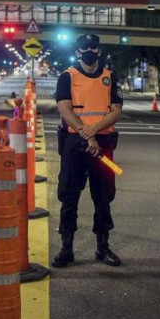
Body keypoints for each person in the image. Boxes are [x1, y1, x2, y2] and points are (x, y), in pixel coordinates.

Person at [53, 33, 123, 268]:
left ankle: (103, 248)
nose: (90, 50)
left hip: (102, 143)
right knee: (69, 196)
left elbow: (115, 111)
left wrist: (92, 131)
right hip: (75, 145)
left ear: (99, 51)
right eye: (85, 47)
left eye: (94, 47)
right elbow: (65, 110)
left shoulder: (110, 77)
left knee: (103, 197)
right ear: (78, 52)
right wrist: (87, 133)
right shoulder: (67, 77)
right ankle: (66, 248)